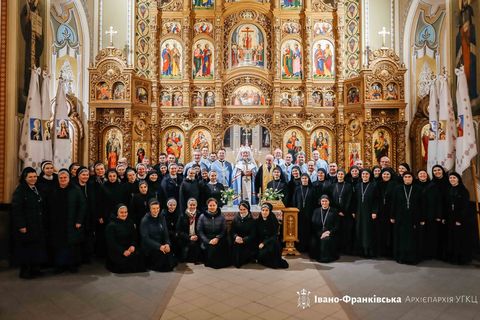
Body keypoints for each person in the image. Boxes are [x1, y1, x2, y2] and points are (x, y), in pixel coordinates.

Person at [46, 169, 86, 273]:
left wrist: (79, 221)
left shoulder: (75, 189)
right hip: (57, 223)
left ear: (69, 178)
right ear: (58, 179)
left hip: (72, 222)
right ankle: (59, 265)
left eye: (65, 178)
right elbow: (48, 206)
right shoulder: (53, 189)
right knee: (59, 244)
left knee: (71, 245)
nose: (63, 179)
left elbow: (82, 206)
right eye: (61, 178)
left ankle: (71, 265)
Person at [11, 167, 47, 279]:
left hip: (37, 224)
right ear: (25, 178)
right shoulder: (20, 190)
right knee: (26, 249)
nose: (33, 179)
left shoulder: (37, 188)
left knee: (36, 248)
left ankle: (35, 269)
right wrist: (22, 225)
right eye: (30, 177)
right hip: (27, 225)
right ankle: (25, 271)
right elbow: (17, 209)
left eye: (35, 176)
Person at [391, 172, 424, 265]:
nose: (407, 178)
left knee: (413, 238)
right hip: (400, 217)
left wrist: (422, 218)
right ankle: (401, 257)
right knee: (401, 238)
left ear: (412, 178)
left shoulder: (418, 189)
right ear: (403, 178)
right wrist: (392, 216)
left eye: (409, 177)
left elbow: (422, 205)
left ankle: (413, 258)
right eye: (405, 177)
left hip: (414, 217)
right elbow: (394, 203)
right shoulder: (397, 189)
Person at [105, 204, 145, 273]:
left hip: (129, 248)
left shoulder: (130, 222)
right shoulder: (111, 226)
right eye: (121, 212)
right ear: (117, 213)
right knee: (123, 262)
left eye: (126, 212)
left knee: (140, 256)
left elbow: (134, 236)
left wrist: (133, 245)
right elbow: (112, 243)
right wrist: (122, 251)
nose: (124, 214)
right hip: (117, 250)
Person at [141, 200, 177, 271]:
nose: (156, 210)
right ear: (150, 209)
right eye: (153, 208)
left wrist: (167, 244)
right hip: (151, 247)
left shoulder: (161, 217)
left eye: (157, 208)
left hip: (162, 244)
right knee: (166, 265)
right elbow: (146, 239)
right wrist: (159, 246)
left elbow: (165, 233)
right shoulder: (145, 220)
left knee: (170, 261)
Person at [445, 172, 472, 264]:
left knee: (459, 239)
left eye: (454, 178)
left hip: (459, 219)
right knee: (451, 238)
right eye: (450, 178)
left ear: (458, 179)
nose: (452, 179)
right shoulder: (449, 189)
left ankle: (460, 258)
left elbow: (465, 206)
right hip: (450, 218)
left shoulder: (463, 191)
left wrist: (459, 219)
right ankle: (452, 257)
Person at [352, 169, 379, 258]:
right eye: (363, 174)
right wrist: (353, 211)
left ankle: (369, 251)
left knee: (368, 231)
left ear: (369, 175)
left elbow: (376, 200)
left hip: (369, 212)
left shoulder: (374, 186)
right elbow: (354, 200)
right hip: (359, 211)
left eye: (366, 174)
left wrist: (374, 211)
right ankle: (361, 250)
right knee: (360, 230)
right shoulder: (358, 186)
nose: (364, 175)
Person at [197, 198, 230, 268]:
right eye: (210, 205)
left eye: (214, 205)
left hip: (218, 238)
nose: (212, 207)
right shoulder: (202, 216)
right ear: (207, 206)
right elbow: (200, 231)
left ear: (216, 206)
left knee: (221, 249)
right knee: (212, 251)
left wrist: (217, 238)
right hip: (207, 238)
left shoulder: (221, 216)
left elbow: (224, 230)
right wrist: (208, 241)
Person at [328, 169, 353, 254]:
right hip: (335, 213)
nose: (340, 176)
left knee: (345, 231)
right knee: (336, 230)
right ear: (337, 175)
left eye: (342, 174)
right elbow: (330, 199)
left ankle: (345, 249)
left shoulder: (348, 186)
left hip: (346, 213)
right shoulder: (332, 186)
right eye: (339, 174)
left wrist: (344, 211)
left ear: (344, 176)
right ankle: (336, 249)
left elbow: (349, 199)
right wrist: (337, 211)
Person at [256, 203, 288, 269]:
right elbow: (256, 235)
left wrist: (264, 243)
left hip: (271, 242)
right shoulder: (258, 221)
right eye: (263, 210)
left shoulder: (273, 221)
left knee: (273, 251)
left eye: (266, 210)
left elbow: (274, 235)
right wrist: (260, 243)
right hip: (260, 242)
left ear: (269, 211)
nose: (264, 212)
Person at [310, 195, 339, 262]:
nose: (324, 203)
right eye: (323, 201)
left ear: (329, 202)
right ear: (320, 202)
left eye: (326, 201)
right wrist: (320, 233)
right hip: (318, 232)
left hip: (330, 232)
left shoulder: (334, 211)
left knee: (325, 240)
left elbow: (336, 226)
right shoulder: (316, 211)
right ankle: (316, 256)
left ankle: (325, 258)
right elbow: (313, 224)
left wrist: (328, 232)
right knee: (313, 241)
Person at [292, 174, 316, 252]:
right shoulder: (297, 189)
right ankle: (299, 247)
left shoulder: (312, 189)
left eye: (306, 178)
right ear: (301, 179)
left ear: (308, 179)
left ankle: (307, 247)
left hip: (309, 213)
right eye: (303, 178)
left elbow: (314, 202)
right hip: (299, 213)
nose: (304, 180)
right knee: (299, 230)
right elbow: (294, 201)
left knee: (308, 230)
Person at [376, 168, 396, 258]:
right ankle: (381, 251)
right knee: (381, 231)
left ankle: (390, 252)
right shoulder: (378, 184)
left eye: (388, 174)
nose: (386, 176)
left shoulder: (394, 184)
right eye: (384, 174)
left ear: (391, 175)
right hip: (380, 211)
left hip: (390, 211)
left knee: (390, 232)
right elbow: (375, 198)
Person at [231, 201, 257, 268]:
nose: (242, 211)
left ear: (248, 209)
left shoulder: (252, 220)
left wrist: (244, 240)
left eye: (244, 209)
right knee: (237, 247)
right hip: (237, 239)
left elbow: (253, 234)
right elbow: (232, 231)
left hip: (247, 241)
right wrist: (236, 237)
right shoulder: (235, 219)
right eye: (241, 209)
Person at [176, 198, 202, 263]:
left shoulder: (199, 214)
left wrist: (197, 236)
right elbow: (179, 230)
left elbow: (202, 228)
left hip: (197, 237)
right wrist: (189, 237)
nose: (192, 206)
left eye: (194, 205)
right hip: (186, 237)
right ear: (187, 205)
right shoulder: (182, 215)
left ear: (196, 205)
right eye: (190, 205)